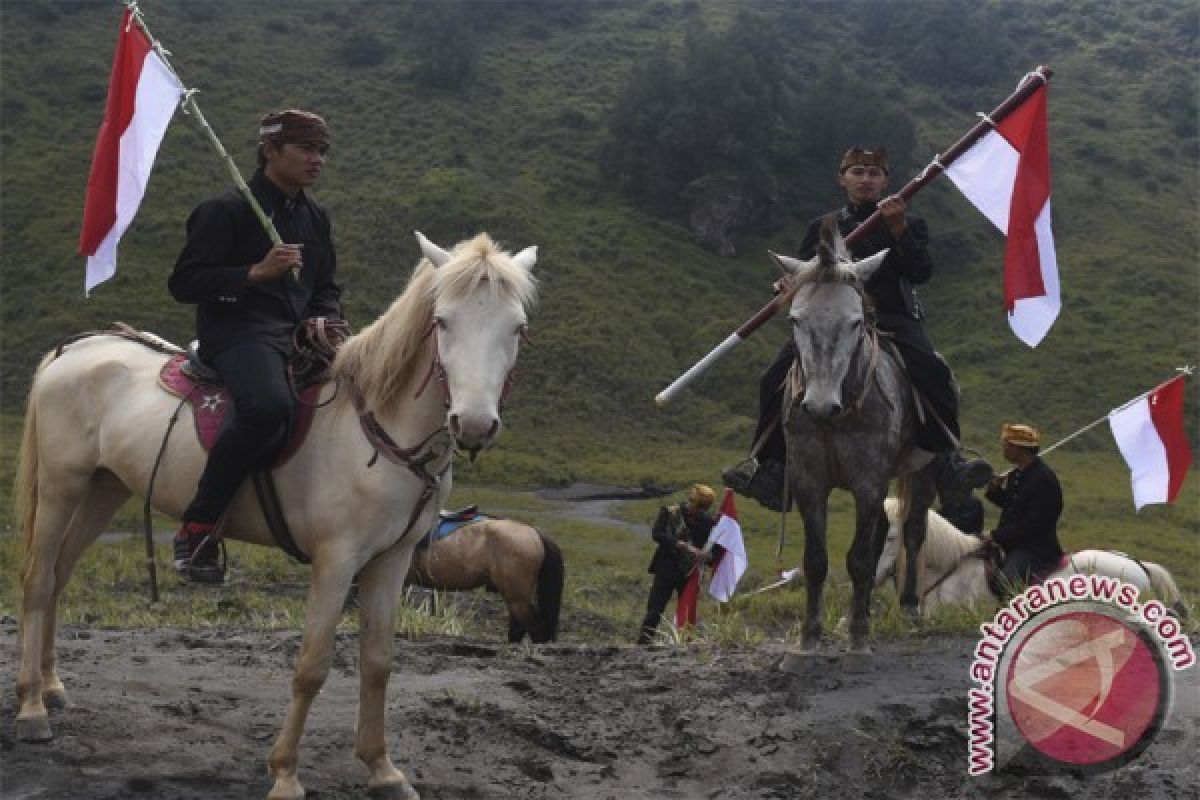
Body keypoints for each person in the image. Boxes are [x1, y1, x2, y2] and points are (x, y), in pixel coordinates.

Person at [723, 146, 991, 510]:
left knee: (932, 370)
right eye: (857, 172)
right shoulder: (823, 226)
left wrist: (898, 230)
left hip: (891, 317)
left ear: (885, 181)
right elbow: (803, 272)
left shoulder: (909, 223)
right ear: (842, 178)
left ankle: (949, 458)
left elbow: (920, 272)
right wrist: (789, 284)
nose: (865, 180)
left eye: (873, 173)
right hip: (832, 322)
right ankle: (772, 468)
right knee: (773, 377)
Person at [168, 109, 342, 583]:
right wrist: (253, 274)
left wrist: (327, 320)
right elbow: (184, 282)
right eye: (306, 149)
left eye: (322, 151)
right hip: (237, 332)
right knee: (267, 407)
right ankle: (198, 528)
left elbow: (326, 285)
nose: (317, 160)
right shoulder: (224, 210)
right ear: (270, 151)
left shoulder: (315, 218)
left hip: (299, 335)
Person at [981, 423, 1064, 597]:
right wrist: (994, 491)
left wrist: (996, 535)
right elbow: (1014, 507)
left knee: (1006, 583)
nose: (1003, 449)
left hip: (1034, 548)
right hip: (1014, 544)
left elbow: (1034, 524)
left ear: (1019, 449)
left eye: (1007, 445)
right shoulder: (1017, 474)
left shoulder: (1043, 479)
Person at [637, 484, 721, 644]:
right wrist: (679, 544)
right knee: (655, 609)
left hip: (689, 573)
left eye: (704, 507)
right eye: (699, 506)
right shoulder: (670, 513)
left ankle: (684, 643)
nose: (700, 510)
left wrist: (707, 556)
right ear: (692, 501)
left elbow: (714, 550)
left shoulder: (708, 523)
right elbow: (657, 534)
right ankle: (643, 642)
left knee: (687, 610)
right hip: (666, 569)